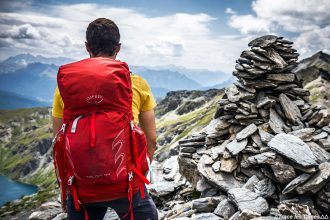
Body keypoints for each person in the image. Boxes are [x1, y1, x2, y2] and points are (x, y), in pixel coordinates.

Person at [52, 18, 158, 220]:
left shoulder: (64, 89)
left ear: (87, 47)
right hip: (127, 185)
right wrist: (138, 174)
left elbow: (58, 141)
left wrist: (65, 191)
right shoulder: (136, 83)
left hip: (82, 189)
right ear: (118, 48)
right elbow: (151, 139)